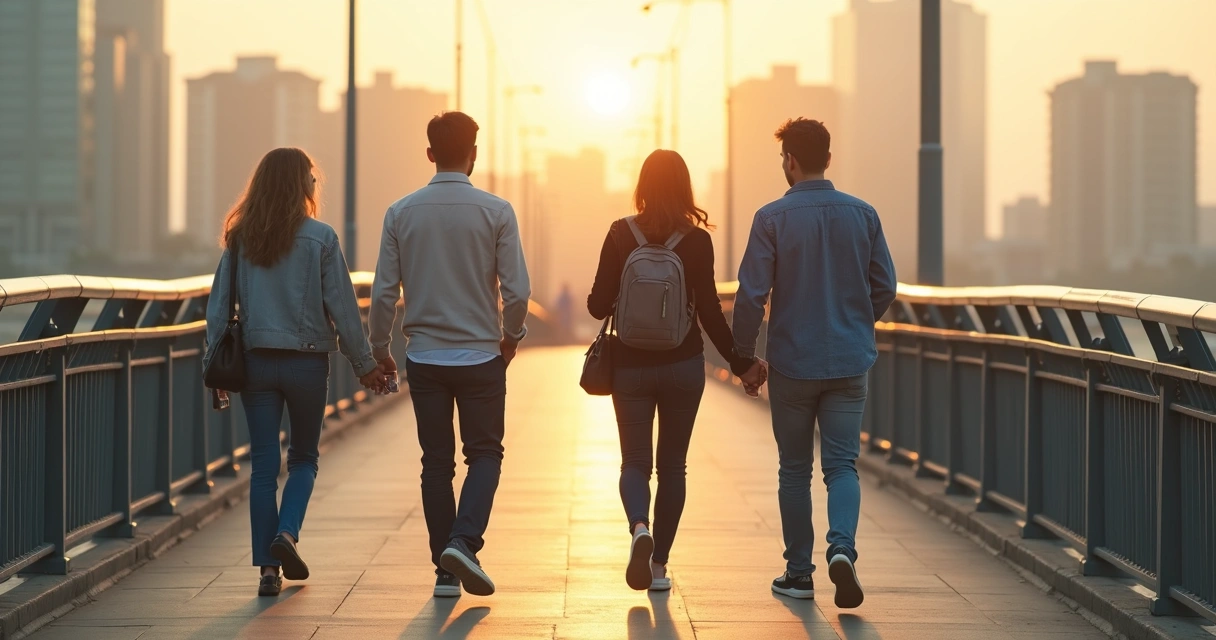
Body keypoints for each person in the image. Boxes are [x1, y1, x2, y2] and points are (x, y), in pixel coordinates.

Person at [204, 147, 387, 598]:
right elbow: (343, 308)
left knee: (264, 465)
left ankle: (268, 570)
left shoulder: (241, 238)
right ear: (299, 183)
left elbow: (217, 311)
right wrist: (365, 364)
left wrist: (216, 371)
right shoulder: (321, 238)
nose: (314, 184)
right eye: (311, 177)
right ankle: (287, 535)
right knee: (303, 457)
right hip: (307, 362)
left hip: (257, 361)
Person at [732, 118, 897, 607]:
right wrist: (856, 321)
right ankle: (842, 549)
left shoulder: (771, 219)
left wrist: (744, 357)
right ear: (828, 158)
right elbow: (885, 286)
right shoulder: (864, 215)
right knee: (842, 465)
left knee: (795, 469)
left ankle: (799, 574)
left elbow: (750, 296)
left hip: (792, 363)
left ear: (790, 160)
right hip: (849, 362)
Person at [368, 111, 530, 599]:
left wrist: (380, 348)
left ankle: (444, 570)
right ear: (474, 154)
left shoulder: (401, 212)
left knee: (436, 463)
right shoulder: (496, 211)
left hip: (425, 357)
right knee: (485, 454)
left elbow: (381, 294)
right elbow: (517, 290)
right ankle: (463, 542)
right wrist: (511, 336)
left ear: (430, 153)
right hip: (482, 355)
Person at [588, 149, 764, 592]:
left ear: (642, 186)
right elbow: (709, 313)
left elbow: (594, 306)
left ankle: (638, 529)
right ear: (685, 187)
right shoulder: (697, 240)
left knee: (634, 462)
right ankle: (660, 566)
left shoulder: (618, 232)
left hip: (628, 365)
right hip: (684, 366)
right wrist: (743, 365)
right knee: (673, 467)